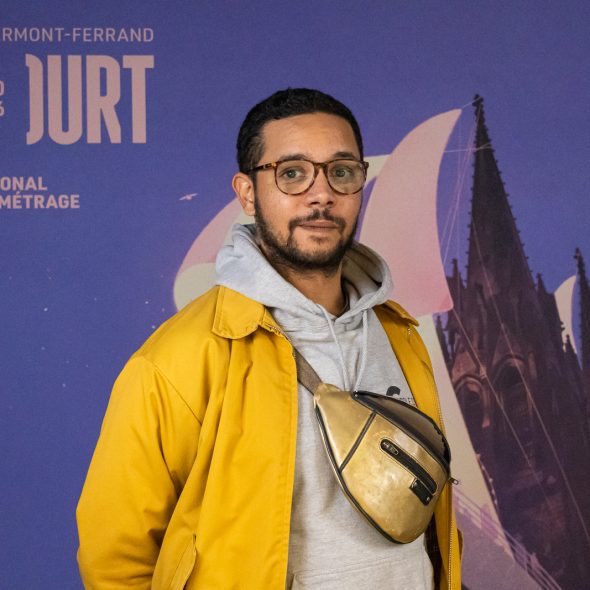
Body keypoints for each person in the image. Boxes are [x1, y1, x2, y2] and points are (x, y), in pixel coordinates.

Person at [77, 88, 461, 589]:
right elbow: (114, 560)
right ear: (247, 193)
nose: (321, 194)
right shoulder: (177, 360)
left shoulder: (400, 334)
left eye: (342, 171)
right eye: (292, 173)